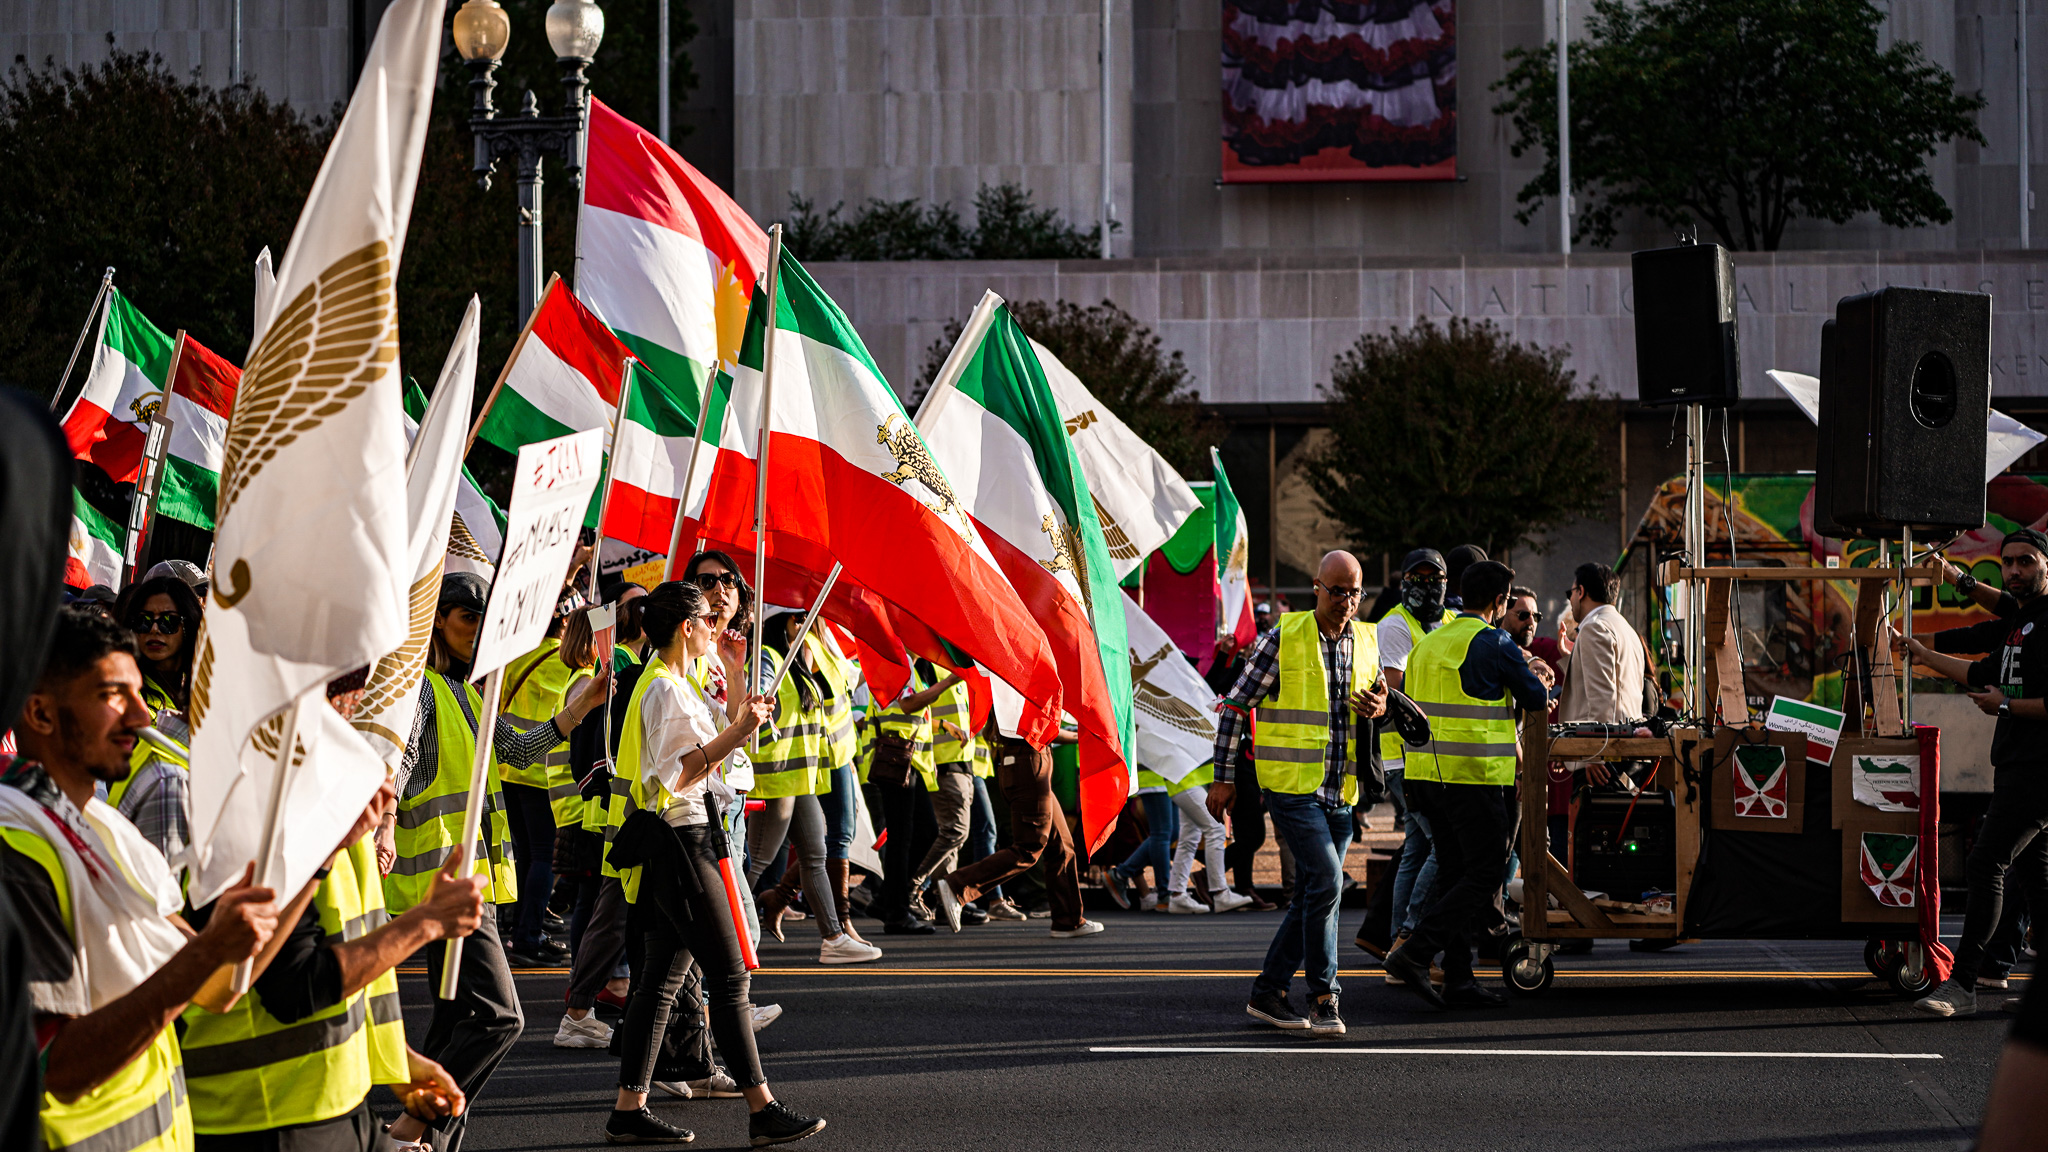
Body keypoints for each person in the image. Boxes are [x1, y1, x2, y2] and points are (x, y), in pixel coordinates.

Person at [3, 605, 280, 1152]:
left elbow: (219, 986)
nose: (142, 717)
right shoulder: (19, 850)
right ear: (39, 713)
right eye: (112, 696)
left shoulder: (106, 830)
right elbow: (57, 1068)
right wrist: (207, 953)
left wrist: (311, 868)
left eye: (137, 693)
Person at [182, 677, 484, 1151]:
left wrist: (397, 1063)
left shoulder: (338, 798)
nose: (369, 704)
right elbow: (293, 987)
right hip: (264, 1118)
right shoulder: (261, 801)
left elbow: (355, 970)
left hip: (330, 1103)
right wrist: (426, 921)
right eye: (352, 685)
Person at [381, 571, 612, 1152]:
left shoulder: (463, 691)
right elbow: (398, 766)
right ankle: (408, 1130)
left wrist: (585, 700)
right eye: (466, 616)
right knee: (498, 1019)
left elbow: (518, 745)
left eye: (484, 618)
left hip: (461, 886)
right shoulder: (423, 691)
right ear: (436, 620)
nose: (478, 628)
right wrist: (383, 826)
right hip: (443, 887)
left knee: (455, 1023)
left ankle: (431, 1142)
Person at [599, 580, 826, 1146]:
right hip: (684, 843)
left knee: (660, 981)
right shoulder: (666, 689)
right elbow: (682, 771)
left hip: (673, 845)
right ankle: (762, 1109)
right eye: (705, 620)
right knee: (728, 979)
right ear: (686, 628)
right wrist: (740, 731)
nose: (714, 627)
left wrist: (735, 704)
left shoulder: (671, 681)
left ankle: (629, 1110)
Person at [1208, 550, 1387, 1037]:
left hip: (1339, 791)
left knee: (1314, 892)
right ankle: (1326, 996)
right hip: (1291, 788)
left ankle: (1268, 992)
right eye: (1336, 591)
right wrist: (1223, 778)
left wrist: (1380, 704)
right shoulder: (1281, 640)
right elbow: (1233, 706)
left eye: (1354, 592)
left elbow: (1380, 700)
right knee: (1327, 882)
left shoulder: (1365, 642)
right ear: (1316, 586)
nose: (1346, 601)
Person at [1384, 559, 1553, 1010]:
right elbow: (1536, 698)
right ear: (1500, 603)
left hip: (1425, 777)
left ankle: (1458, 978)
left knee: (1456, 874)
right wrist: (1533, 671)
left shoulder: (1430, 642)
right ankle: (1415, 952)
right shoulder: (1494, 641)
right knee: (1484, 873)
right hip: (1472, 779)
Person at [1899, 529, 2048, 1018]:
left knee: (1986, 863)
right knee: (2034, 878)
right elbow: (1980, 665)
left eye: (2026, 561)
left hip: (2039, 769)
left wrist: (2007, 705)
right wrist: (1921, 653)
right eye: (2007, 563)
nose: (2014, 571)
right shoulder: (2020, 621)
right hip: (2014, 765)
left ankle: (1962, 985)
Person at [749, 608, 883, 963]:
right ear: (791, 621)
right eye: (803, 616)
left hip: (800, 777)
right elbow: (757, 690)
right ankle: (717, 934)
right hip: (777, 779)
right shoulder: (768, 655)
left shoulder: (793, 655)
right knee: (754, 863)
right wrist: (760, 693)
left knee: (815, 854)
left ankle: (834, 939)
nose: (810, 621)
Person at [930, 714, 1102, 939]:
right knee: (1030, 847)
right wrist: (1081, 736)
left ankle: (1068, 921)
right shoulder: (1021, 684)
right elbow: (1035, 725)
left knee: (1061, 845)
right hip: (1028, 762)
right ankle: (958, 886)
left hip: (1031, 760)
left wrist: (1080, 735)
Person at [497, 611, 598, 966]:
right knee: (544, 859)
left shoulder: (518, 653)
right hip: (542, 773)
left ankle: (520, 929)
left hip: (510, 767)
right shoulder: (571, 669)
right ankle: (528, 934)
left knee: (526, 855)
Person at [1363, 548, 1448, 959]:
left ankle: (1396, 937)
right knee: (1444, 845)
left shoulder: (1449, 620)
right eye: (1418, 578)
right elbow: (1399, 692)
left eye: (1435, 578)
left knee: (1416, 846)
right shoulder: (1395, 625)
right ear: (1403, 583)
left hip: (1433, 756)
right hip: (1403, 758)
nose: (1427, 586)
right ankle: (1409, 938)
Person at [109, 575, 205, 863]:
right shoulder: (127, 691)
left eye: (168, 621)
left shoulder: (203, 690)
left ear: (188, 626)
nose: (154, 629)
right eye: (143, 620)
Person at [868, 661, 958, 934]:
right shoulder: (898, 663)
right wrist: (949, 682)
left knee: (925, 834)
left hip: (908, 763)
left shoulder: (912, 668)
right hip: (895, 761)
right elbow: (908, 705)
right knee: (901, 840)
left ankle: (888, 899)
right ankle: (896, 912)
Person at [905, 670, 991, 926]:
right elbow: (916, 709)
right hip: (943, 764)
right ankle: (911, 886)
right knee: (955, 832)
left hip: (961, 763)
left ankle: (946, 900)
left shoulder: (957, 671)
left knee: (952, 837)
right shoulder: (935, 667)